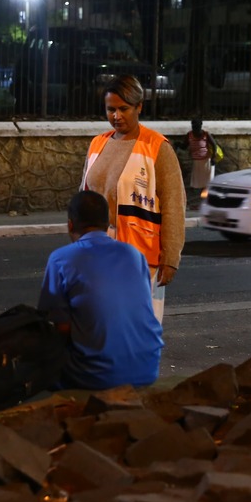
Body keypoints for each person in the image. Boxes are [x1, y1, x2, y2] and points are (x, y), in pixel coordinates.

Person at [81, 74, 185, 323]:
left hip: (141, 257)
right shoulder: (97, 144)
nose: (116, 116)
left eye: (123, 109)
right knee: (102, 325)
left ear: (139, 107)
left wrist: (170, 258)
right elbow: (82, 198)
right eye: (110, 109)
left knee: (138, 328)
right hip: (99, 253)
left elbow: (173, 205)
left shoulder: (158, 148)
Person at [37, 191, 163, 390]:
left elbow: (61, 327)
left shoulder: (61, 259)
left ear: (70, 225)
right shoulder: (134, 255)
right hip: (148, 368)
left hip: (97, 376)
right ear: (108, 223)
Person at [174, 118, 221, 207]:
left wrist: (214, 158)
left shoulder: (206, 134)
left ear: (200, 126)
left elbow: (214, 146)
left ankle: (207, 203)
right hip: (197, 163)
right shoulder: (189, 135)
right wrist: (178, 144)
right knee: (197, 184)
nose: (195, 128)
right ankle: (202, 202)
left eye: (197, 126)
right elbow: (184, 146)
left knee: (207, 184)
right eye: (193, 126)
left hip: (207, 162)